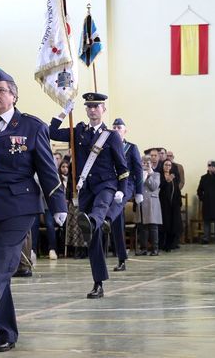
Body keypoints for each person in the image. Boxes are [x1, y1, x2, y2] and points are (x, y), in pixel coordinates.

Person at [0, 65, 67, 353]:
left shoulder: (32, 126)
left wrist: (58, 204)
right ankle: (5, 331)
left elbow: (46, 170)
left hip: (19, 205)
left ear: (14, 96)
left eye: (1, 90)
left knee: (3, 257)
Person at [49, 92, 128, 300]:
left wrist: (121, 188)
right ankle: (98, 283)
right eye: (89, 107)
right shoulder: (78, 132)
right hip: (85, 189)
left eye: (96, 106)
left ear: (103, 110)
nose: (93, 110)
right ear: (86, 110)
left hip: (106, 184)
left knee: (101, 207)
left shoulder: (111, 136)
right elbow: (51, 132)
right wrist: (64, 112)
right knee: (93, 240)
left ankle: (94, 221)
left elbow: (122, 166)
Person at [108, 118, 143, 270]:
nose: (116, 129)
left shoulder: (131, 147)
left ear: (125, 131)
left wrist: (139, 192)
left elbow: (138, 169)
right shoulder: (108, 146)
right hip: (112, 184)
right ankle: (121, 258)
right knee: (118, 224)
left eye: (119, 127)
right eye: (114, 127)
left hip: (127, 184)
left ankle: (106, 218)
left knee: (117, 204)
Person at [137, 155, 162, 255]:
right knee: (142, 227)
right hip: (142, 202)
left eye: (148, 163)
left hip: (152, 203)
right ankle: (143, 248)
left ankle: (155, 248)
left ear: (151, 164)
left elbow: (153, 186)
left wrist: (148, 176)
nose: (146, 165)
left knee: (153, 227)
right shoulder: (139, 174)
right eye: (143, 163)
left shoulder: (156, 174)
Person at [160, 159, 182, 251]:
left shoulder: (174, 177)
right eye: (166, 165)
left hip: (173, 204)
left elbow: (177, 190)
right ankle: (162, 244)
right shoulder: (159, 175)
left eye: (169, 165)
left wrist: (179, 202)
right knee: (165, 224)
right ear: (163, 166)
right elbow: (159, 187)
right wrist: (167, 181)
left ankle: (171, 244)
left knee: (173, 224)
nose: (167, 167)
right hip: (163, 204)